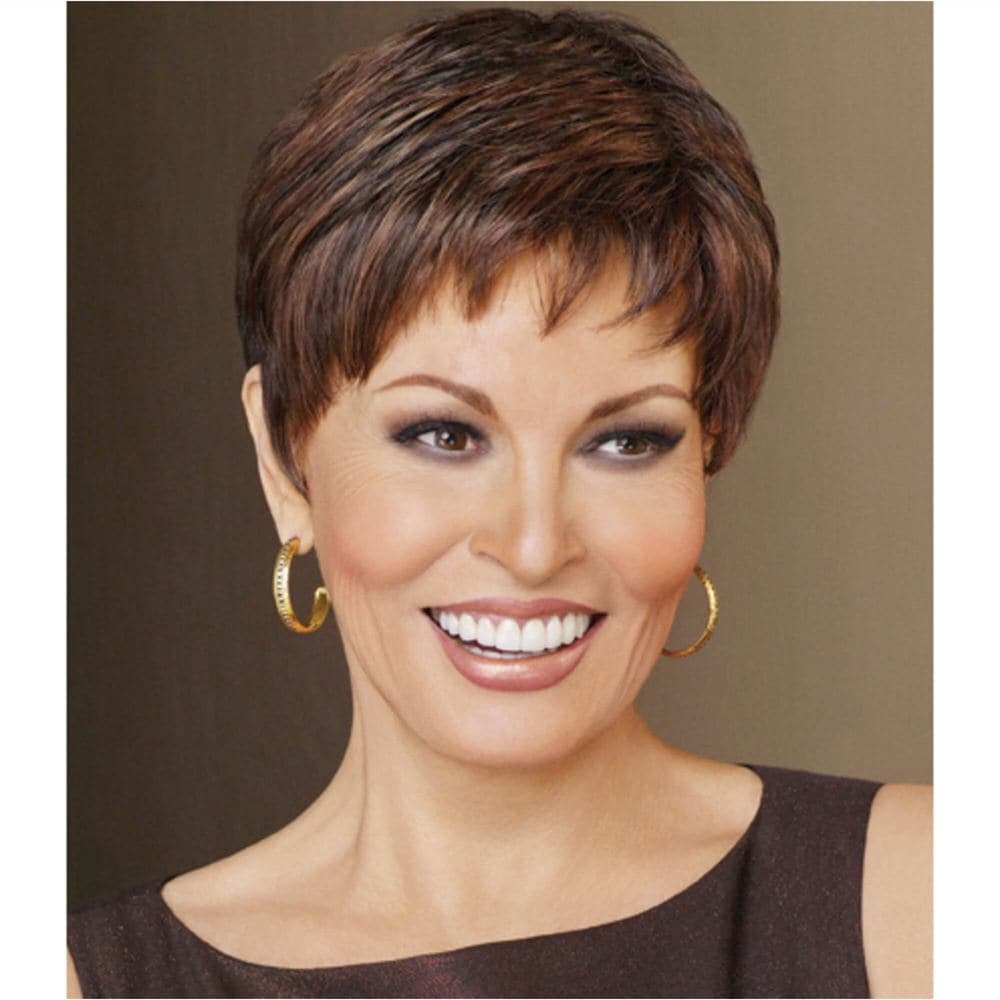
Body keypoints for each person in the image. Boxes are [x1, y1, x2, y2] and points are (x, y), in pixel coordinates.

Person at [67, 7, 931, 997]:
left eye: (624, 441)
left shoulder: (929, 904)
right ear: (280, 458)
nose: (532, 544)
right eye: (444, 435)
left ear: (708, 450)